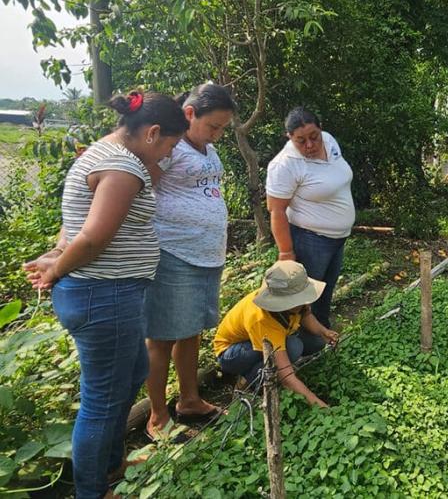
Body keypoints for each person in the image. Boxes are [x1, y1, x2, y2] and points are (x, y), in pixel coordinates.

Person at [23, 91, 188, 499]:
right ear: (152, 133)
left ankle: (111, 463)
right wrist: (57, 268)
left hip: (107, 294)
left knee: (131, 372)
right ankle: (92, 490)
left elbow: (74, 226)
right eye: (169, 144)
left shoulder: (104, 153)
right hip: (104, 296)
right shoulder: (120, 167)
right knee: (101, 400)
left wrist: (59, 255)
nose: (168, 154)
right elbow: (94, 237)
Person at [143, 83, 237, 440]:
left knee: (191, 330)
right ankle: (156, 418)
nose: (218, 134)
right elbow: (142, 187)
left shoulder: (208, 149)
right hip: (173, 253)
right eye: (213, 126)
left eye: (223, 128)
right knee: (163, 336)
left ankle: (189, 400)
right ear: (189, 114)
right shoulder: (169, 147)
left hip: (205, 254)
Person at [265, 107, 355, 328]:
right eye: (300, 141)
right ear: (290, 137)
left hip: (337, 239)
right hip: (310, 240)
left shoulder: (330, 141)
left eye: (314, 137)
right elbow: (276, 211)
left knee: (325, 292)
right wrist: (286, 252)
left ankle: (320, 340)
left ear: (321, 129)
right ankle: (293, 348)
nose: (310, 145)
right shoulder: (285, 164)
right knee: (303, 300)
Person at [212, 260, 339, 407]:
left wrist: (324, 331)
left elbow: (305, 315)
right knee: (293, 348)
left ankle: (271, 365)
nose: (305, 301)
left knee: (317, 341)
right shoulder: (262, 319)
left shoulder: (295, 305)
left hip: (261, 340)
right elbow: (286, 377)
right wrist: (320, 405)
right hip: (231, 353)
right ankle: (248, 381)